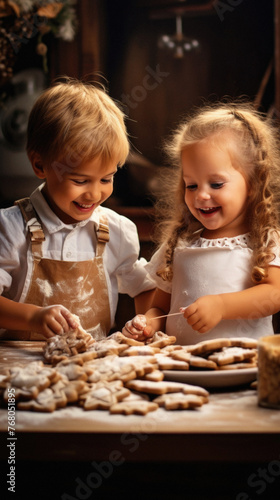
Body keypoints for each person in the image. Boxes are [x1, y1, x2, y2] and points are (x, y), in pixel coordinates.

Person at [0, 77, 155, 340]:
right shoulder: (11, 228)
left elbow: (143, 287)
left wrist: (145, 322)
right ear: (40, 165)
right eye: (80, 180)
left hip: (90, 369)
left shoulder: (116, 231)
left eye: (106, 179)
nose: (95, 193)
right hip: (21, 369)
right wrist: (33, 317)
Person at [123, 102, 280, 345]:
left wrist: (221, 306)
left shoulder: (264, 240)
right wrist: (147, 323)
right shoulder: (179, 244)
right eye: (191, 185)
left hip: (246, 367)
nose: (201, 196)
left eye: (216, 184)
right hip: (182, 368)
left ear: (253, 185)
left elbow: (274, 294)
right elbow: (160, 309)